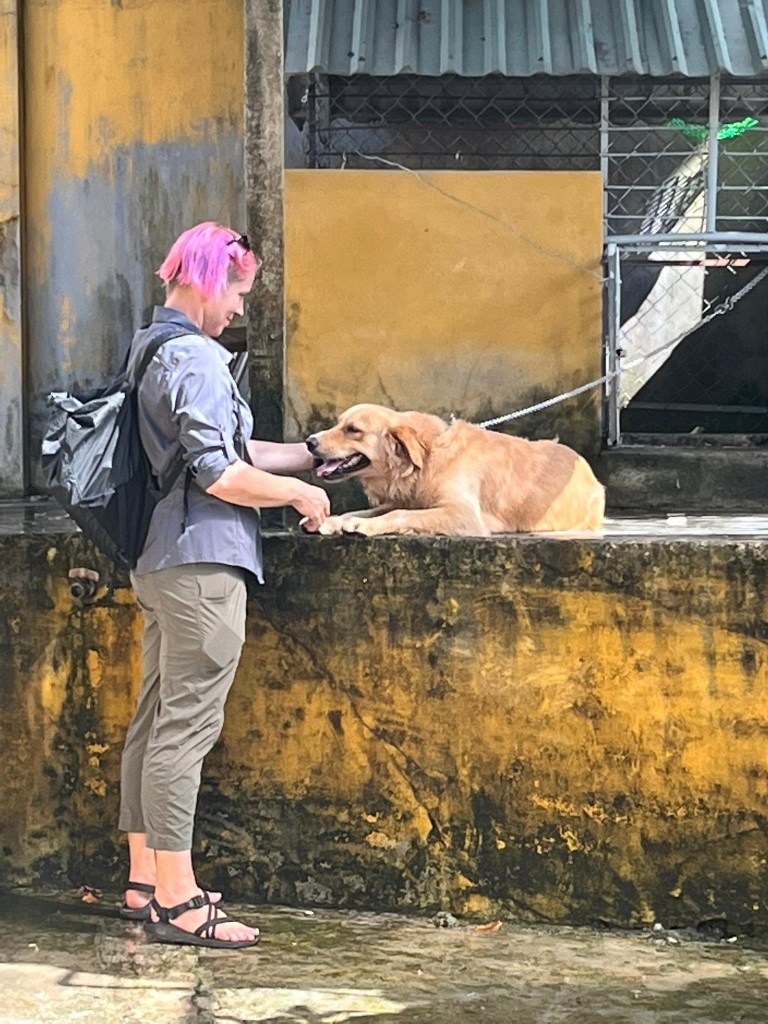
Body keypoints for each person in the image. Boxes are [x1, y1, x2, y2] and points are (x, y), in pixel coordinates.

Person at [117, 221, 329, 949]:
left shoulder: (152, 346)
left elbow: (230, 448)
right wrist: (298, 498)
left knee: (153, 720)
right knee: (185, 730)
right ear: (208, 281)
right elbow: (222, 475)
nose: (241, 309)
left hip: (158, 561)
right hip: (203, 564)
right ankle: (178, 901)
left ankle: (145, 878)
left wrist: (312, 459)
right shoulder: (199, 359)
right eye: (238, 293)